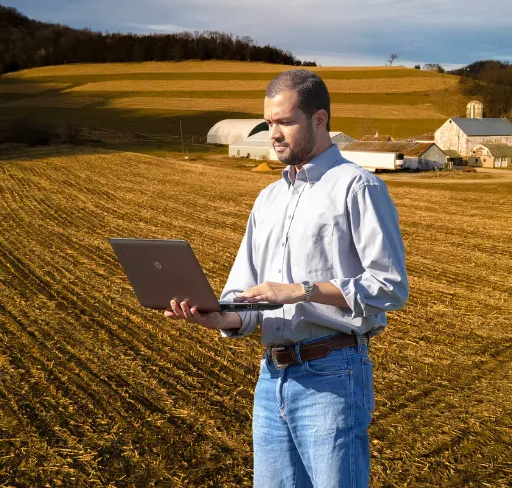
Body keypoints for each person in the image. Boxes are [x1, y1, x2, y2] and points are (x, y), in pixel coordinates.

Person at [165, 69, 408, 487]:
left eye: (285, 121)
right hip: (270, 379)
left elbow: (390, 286)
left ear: (320, 119)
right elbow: (247, 296)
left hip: (333, 374)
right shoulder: (268, 199)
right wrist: (220, 316)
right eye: (269, 122)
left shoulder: (358, 187)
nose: (273, 133)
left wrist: (300, 290)